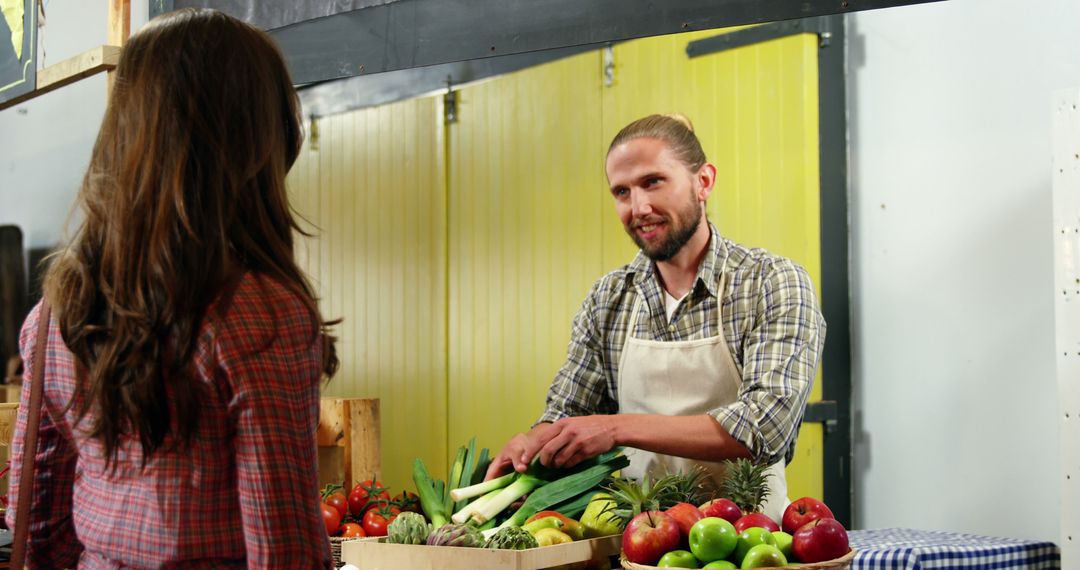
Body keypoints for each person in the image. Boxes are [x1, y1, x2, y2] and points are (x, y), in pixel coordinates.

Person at [6, 9, 338, 568]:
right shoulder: (261, 318)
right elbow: (284, 551)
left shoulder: (55, 314)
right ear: (259, 140)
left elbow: (32, 519)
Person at [486, 114, 826, 522]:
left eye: (653, 182)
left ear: (704, 182)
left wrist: (615, 428)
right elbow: (569, 409)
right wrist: (534, 441)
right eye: (621, 191)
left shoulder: (772, 283)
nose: (638, 208)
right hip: (636, 543)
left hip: (747, 544)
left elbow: (764, 427)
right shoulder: (609, 297)